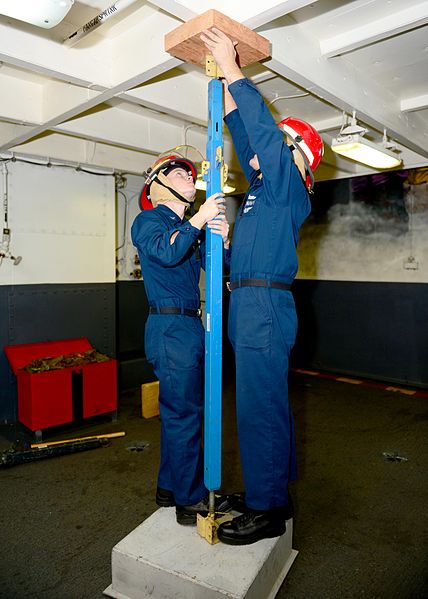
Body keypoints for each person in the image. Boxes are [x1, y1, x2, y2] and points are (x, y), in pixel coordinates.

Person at [200, 28, 324, 545]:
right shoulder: (260, 196)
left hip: (264, 309)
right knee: (261, 403)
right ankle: (269, 491)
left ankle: (268, 508)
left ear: (295, 155)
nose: (255, 153)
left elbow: (266, 143)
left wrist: (235, 72)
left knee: (258, 407)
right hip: (249, 302)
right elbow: (254, 141)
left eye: (276, 147)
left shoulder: (287, 186)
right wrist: (227, 244)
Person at [131, 153, 231, 525]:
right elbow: (169, 251)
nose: (191, 179)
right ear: (158, 185)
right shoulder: (148, 221)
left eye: (191, 175)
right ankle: (189, 502)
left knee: (181, 413)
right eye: (180, 174)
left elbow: (225, 269)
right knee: (185, 415)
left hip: (189, 327)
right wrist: (200, 219)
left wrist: (223, 239)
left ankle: (169, 487)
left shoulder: (190, 226)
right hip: (169, 328)